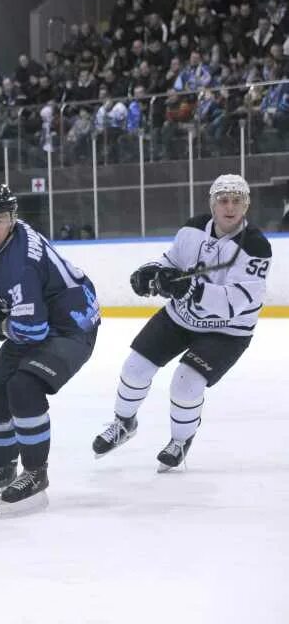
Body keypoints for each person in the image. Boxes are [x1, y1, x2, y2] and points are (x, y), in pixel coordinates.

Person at [92, 174, 271, 470]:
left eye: (237, 200)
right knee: (135, 368)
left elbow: (236, 302)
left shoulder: (256, 246)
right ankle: (124, 423)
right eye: (223, 200)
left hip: (228, 330)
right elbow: (172, 261)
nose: (229, 207)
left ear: (246, 205)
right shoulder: (193, 227)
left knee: (186, 384)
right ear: (212, 204)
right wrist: (152, 272)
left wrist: (192, 289)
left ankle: (180, 440)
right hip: (180, 317)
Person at [0, 184, 100, 512]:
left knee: (23, 388)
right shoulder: (0, 242)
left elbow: (31, 329)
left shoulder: (19, 263)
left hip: (72, 326)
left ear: (12, 218)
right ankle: (4, 467)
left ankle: (36, 472)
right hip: (45, 317)